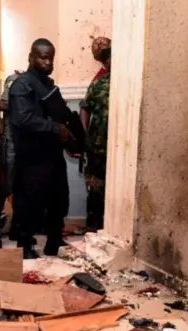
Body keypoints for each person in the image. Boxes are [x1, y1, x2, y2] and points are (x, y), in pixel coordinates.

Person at [8, 38, 72, 259]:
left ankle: (54, 240)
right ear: (31, 57)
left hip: (52, 153)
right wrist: (55, 128)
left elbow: (61, 116)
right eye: (43, 57)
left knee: (59, 198)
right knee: (30, 202)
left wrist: (71, 140)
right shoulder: (22, 85)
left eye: (50, 58)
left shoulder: (48, 85)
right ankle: (25, 245)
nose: (47, 62)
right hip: (32, 156)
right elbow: (23, 118)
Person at [81, 47, 111, 231]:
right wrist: (84, 134)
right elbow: (85, 107)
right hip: (98, 147)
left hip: (123, 150)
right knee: (95, 189)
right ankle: (93, 228)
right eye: (107, 58)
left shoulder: (130, 82)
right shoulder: (99, 83)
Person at [0, 72, 21, 248]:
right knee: (2, 188)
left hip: (23, 145)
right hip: (7, 145)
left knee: (21, 189)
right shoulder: (13, 80)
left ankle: (17, 227)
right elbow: (3, 104)